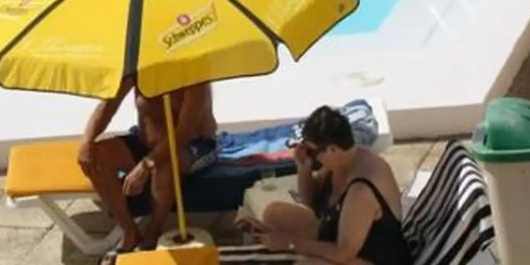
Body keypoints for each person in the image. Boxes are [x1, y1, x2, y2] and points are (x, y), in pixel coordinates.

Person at [250, 106, 412, 265]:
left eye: (311, 151)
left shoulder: (361, 191)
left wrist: (289, 243)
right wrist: (304, 167)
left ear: (332, 149)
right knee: (274, 214)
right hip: (338, 238)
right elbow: (310, 201)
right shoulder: (339, 162)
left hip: (369, 258)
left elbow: (343, 254)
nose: (311, 156)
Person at [76, 78, 218, 252]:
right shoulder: (138, 69)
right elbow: (108, 106)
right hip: (145, 141)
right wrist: (88, 141)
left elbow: (184, 131)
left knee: (165, 164)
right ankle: (129, 230)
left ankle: (153, 232)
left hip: (191, 144)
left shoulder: (194, 77)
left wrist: (146, 165)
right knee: (97, 157)